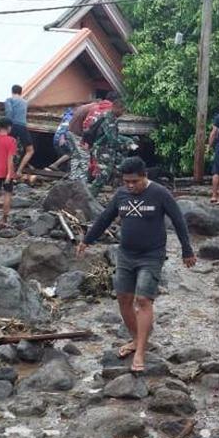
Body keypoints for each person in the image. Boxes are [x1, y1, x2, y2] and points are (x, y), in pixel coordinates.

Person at [78, 157, 196, 373]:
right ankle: (136, 340)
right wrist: (87, 240)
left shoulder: (160, 193)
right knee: (123, 298)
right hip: (125, 254)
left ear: (145, 176)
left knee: (143, 299)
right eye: (126, 182)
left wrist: (186, 250)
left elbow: (178, 221)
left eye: (135, 181)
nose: (130, 186)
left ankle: (141, 352)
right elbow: (105, 217)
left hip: (152, 255)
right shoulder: (121, 195)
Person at [88, 97, 131, 195]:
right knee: (104, 174)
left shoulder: (109, 117)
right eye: (123, 110)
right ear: (116, 108)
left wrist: (126, 140)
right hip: (102, 150)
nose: (123, 113)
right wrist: (125, 145)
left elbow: (114, 136)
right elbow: (112, 140)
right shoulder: (109, 119)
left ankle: (119, 193)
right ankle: (90, 196)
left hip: (106, 149)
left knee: (119, 168)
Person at [47, 107, 76, 172]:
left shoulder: (65, 116)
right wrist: (62, 137)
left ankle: (60, 169)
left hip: (56, 137)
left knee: (62, 154)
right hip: (61, 138)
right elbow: (64, 127)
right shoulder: (69, 118)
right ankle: (55, 165)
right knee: (71, 153)